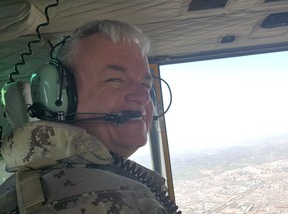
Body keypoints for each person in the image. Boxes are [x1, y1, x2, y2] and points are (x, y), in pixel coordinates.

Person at [0, 20, 180, 213]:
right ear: (59, 97)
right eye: (115, 80)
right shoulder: (93, 196)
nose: (144, 97)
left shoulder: (56, 177)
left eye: (146, 85)